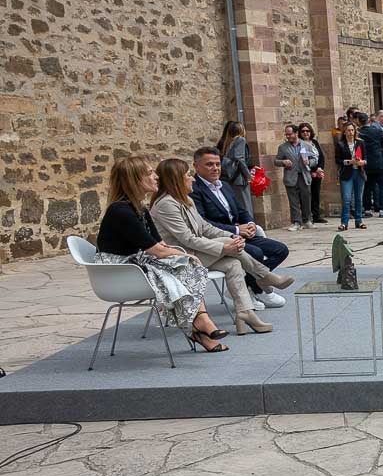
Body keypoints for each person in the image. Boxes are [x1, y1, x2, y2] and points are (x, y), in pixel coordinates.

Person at [95, 157, 231, 353]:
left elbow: (160, 243)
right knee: (186, 265)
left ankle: (200, 325)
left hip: (136, 264)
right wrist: (188, 256)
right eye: (150, 173)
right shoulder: (121, 211)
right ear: (135, 179)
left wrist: (182, 256)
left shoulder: (139, 208)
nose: (156, 176)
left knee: (184, 267)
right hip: (121, 272)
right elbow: (157, 250)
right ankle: (201, 322)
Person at [148, 158, 294, 335]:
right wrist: (225, 246)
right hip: (179, 258)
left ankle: (245, 313)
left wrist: (232, 235)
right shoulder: (166, 204)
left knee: (233, 264)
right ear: (177, 179)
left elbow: (206, 228)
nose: (192, 179)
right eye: (188, 175)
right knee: (229, 247)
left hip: (197, 254)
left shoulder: (185, 200)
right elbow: (187, 239)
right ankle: (264, 276)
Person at [190, 146, 289, 310]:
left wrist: (250, 224)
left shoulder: (225, 186)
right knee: (256, 253)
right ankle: (257, 288)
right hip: (219, 239)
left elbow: (242, 210)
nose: (215, 168)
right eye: (209, 164)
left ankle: (251, 285)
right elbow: (203, 222)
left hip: (242, 234)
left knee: (280, 250)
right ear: (196, 166)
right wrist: (236, 230)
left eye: (217, 164)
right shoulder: (194, 190)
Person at [274, 123, 313, 230]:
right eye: (286, 135)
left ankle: (307, 220)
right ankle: (296, 222)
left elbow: (315, 159)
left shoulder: (307, 145)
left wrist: (309, 162)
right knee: (293, 200)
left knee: (306, 199)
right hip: (290, 176)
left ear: (296, 133)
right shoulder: (283, 147)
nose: (288, 136)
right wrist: (283, 162)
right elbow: (276, 161)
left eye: (290, 134)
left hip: (303, 175)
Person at [358, 111, 383, 216]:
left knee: (368, 187)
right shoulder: (376, 131)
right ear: (369, 121)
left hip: (366, 163)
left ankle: (367, 209)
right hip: (379, 162)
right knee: (382, 186)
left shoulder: (359, 132)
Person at [332, 119, 367, 231]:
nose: (351, 132)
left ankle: (359, 220)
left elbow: (366, 158)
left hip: (359, 172)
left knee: (358, 198)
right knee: (346, 198)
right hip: (347, 173)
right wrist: (349, 162)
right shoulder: (341, 144)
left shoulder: (360, 143)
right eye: (348, 130)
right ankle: (344, 222)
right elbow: (337, 160)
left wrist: (362, 162)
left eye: (352, 130)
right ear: (344, 132)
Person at [215, 120, 254, 215]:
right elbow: (239, 158)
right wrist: (248, 175)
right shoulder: (240, 140)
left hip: (230, 178)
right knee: (245, 207)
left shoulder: (227, 142)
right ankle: (249, 226)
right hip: (239, 179)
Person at [296, 122, 328, 223]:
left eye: (307, 131)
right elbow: (303, 160)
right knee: (306, 195)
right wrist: (312, 171)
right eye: (303, 131)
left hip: (317, 172)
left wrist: (320, 168)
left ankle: (316, 215)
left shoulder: (314, 142)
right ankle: (307, 216)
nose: (306, 133)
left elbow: (321, 156)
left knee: (316, 193)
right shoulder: (299, 144)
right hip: (306, 172)